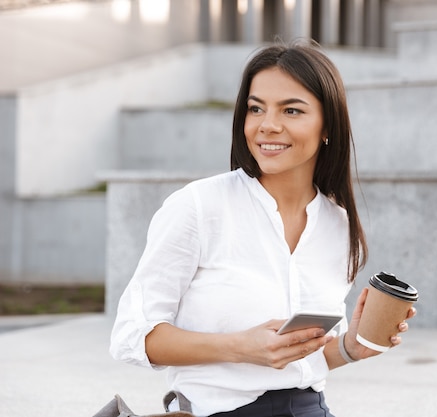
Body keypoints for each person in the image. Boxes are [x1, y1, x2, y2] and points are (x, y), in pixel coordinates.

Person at [109, 40, 415, 417]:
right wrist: (241, 347)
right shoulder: (199, 207)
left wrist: (351, 346)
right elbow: (131, 337)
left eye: (291, 110)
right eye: (256, 108)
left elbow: (302, 362)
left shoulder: (338, 223)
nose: (268, 125)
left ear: (327, 127)